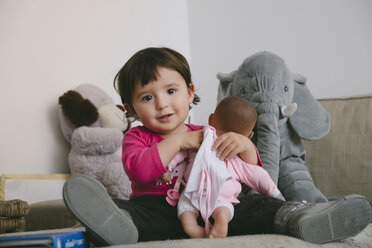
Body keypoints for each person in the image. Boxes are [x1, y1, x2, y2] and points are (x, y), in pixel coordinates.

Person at [62, 47, 372, 246]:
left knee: (253, 205)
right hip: (157, 209)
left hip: (214, 206)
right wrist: (178, 141)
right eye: (147, 97)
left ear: (189, 91)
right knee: (131, 210)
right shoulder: (136, 138)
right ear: (130, 109)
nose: (162, 104)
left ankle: (298, 216)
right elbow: (140, 171)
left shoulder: (208, 131)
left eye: (171, 90)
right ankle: (118, 223)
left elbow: (247, 173)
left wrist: (244, 146)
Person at [168, 96, 283, 239]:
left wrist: (169, 167)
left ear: (211, 119)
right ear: (249, 135)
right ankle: (222, 219)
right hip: (222, 195)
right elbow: (259, 176)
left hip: (193, 191)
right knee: (224, 207)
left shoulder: (198, 140)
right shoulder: (236, 159)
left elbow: (180, 153)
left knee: (185, 209)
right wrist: (276, 194)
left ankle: (191, 227)